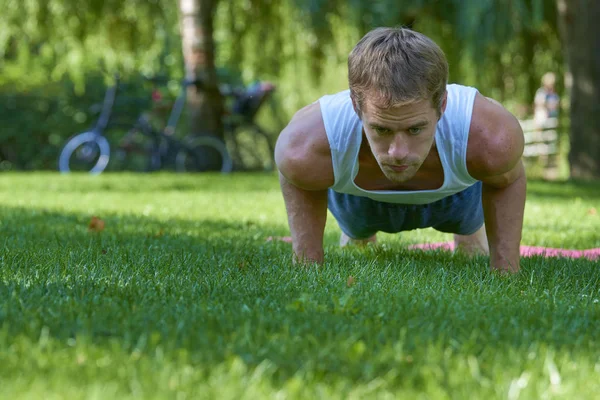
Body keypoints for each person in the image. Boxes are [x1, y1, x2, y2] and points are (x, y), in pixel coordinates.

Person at [274, 27, 526, 273]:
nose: (398, 152)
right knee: (357, 241)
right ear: (355, 105)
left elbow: (508, 179)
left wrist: (506, 269)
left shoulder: (489, 136)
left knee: (472, 245)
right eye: (382, 130)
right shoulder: (306, 144)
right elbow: (297, 178)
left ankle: (470, 234)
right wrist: (307, 264)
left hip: (457, 199)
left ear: (443, 104)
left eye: (415, 129)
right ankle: (356, 234)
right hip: (359, 202)